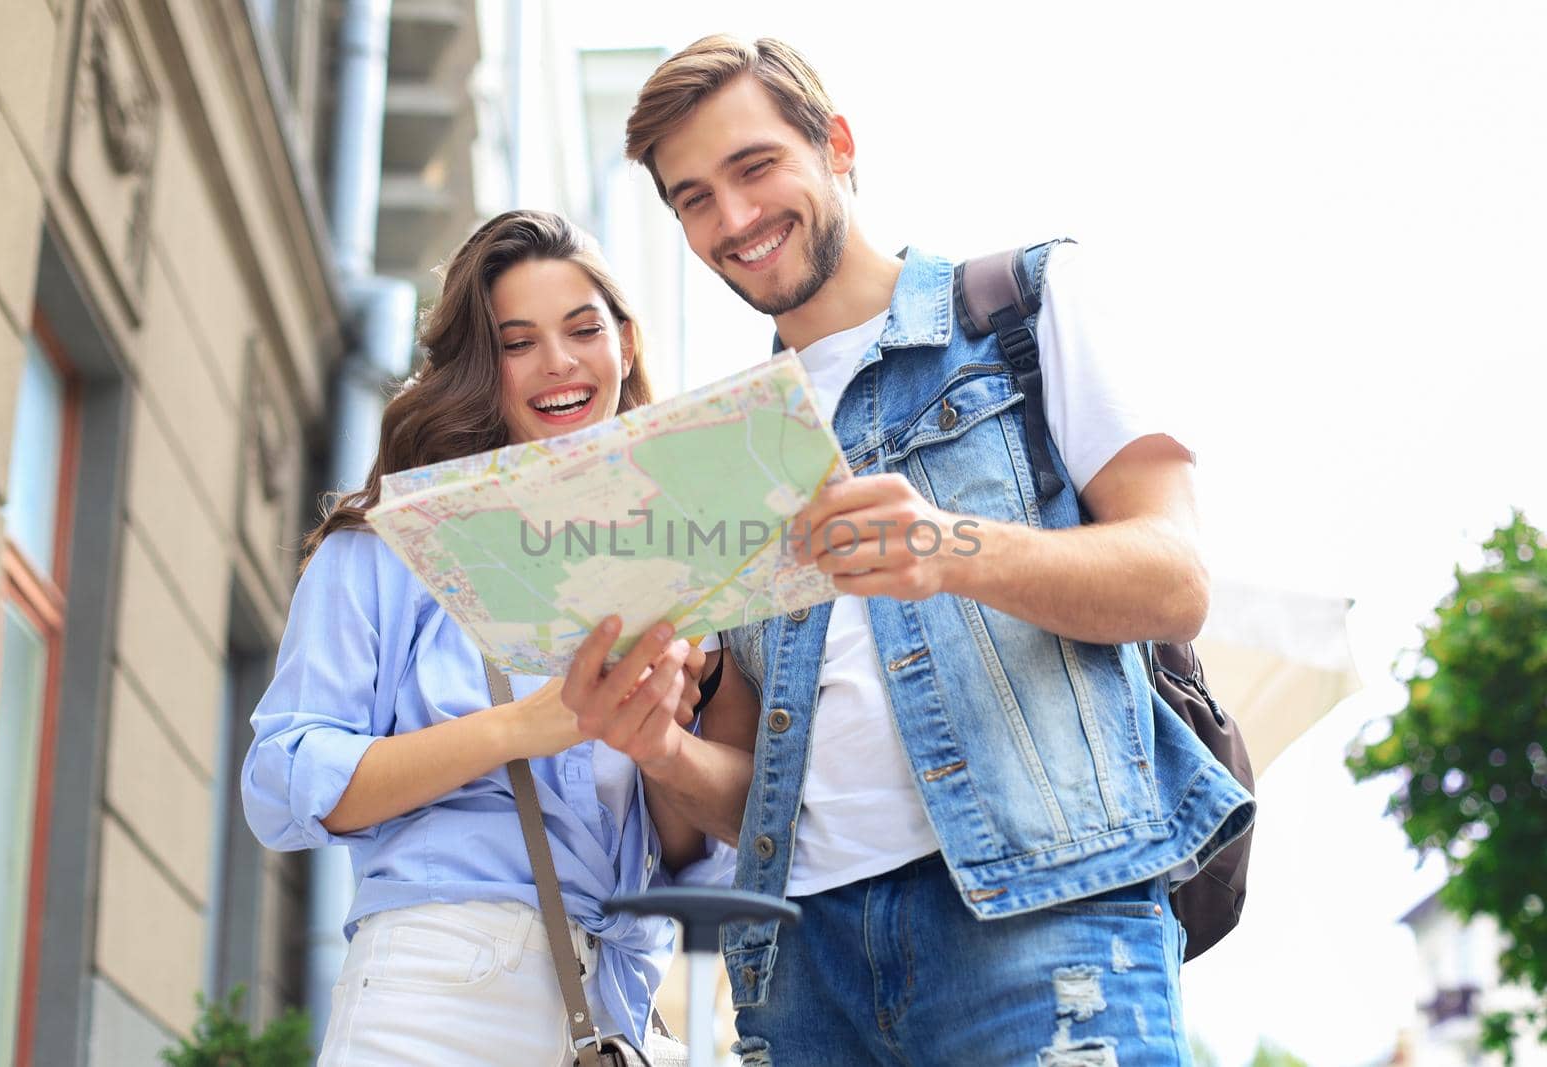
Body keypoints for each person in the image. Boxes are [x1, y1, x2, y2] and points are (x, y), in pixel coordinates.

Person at [563, 36, 1257, 1064]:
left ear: (836, 144)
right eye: (694, 198)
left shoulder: (1023, 304)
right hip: (803, 967)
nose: (735, 219)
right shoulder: (722, 452)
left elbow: (1175, 577)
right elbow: (749, 781)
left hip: (1039, 926)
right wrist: (656, 743)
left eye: (754, 168)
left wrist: (949, 546)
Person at [240, 209, 712, 1066]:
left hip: (615, 1007)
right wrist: (524, 727)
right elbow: (283, 781)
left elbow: (688, 859)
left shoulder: (676, 564)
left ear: (627, 343)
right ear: (478, 368)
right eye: (517, 341)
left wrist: (662, 738)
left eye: (582, 329)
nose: (558, 363)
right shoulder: (389, 547)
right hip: (439, 990)